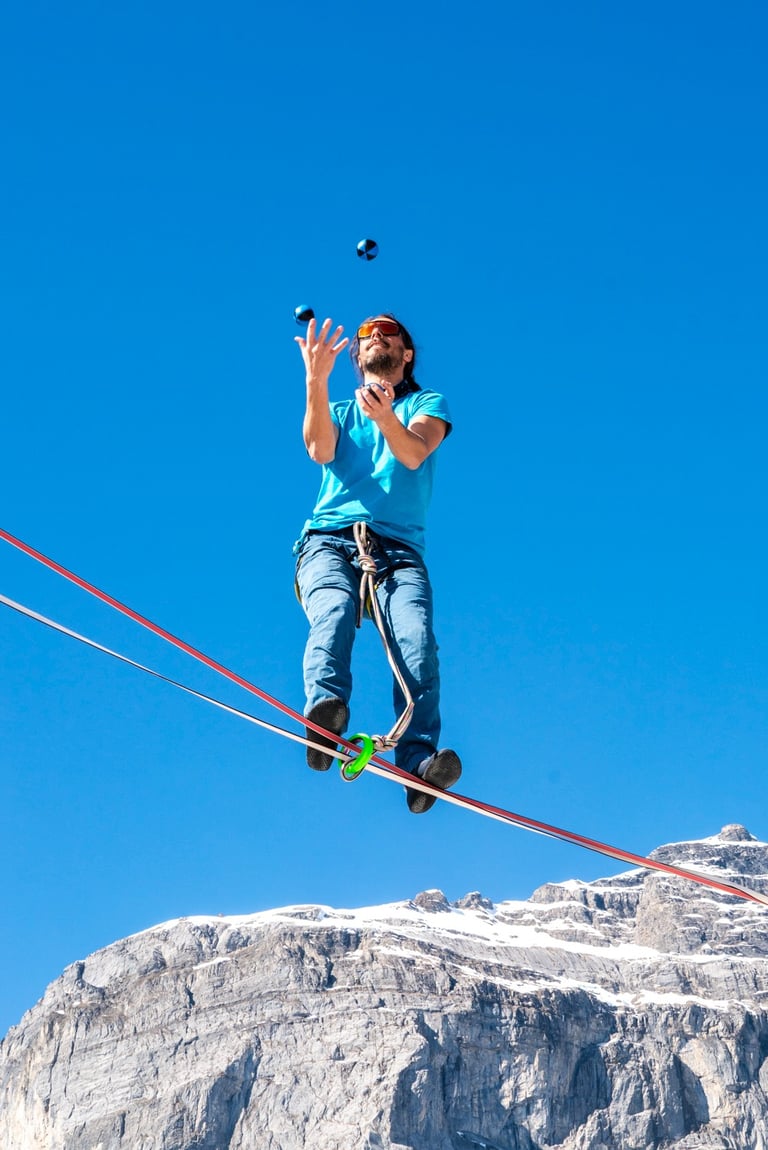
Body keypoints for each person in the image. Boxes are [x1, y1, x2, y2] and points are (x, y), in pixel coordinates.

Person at [293, 313, 461, 813]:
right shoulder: (341, 411)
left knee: (416, 640)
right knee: (334, 610)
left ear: (406, 354)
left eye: (387, 332)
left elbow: (413, 453)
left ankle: (418, 764)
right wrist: (316, 379)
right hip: (328, 540)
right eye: (366, 335)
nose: (375, 338)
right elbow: (319, 448)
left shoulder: (425, 405)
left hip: (397, 551)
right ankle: (323, 719)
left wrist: (387, 417)